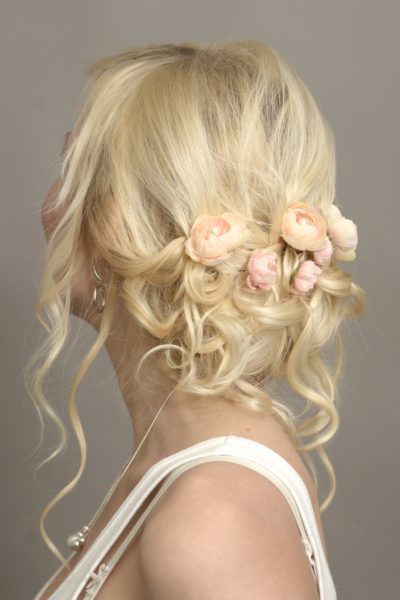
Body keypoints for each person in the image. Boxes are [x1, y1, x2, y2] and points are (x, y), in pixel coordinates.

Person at [27, 39, 365, 599]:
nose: (50, 204)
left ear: (119, 226)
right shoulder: (188, 471)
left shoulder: (212, 518)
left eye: (72, 170)